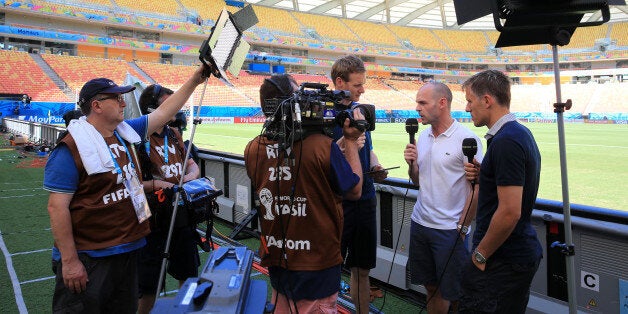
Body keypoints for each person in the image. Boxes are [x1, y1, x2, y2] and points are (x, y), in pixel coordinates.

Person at [43, 64, 208, 313]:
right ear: (96, 105)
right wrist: (69, 261)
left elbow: (164, 112)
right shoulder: (72, 147)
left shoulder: (125, 132)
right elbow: (57, 208)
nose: (123, 103)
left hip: (128, 249)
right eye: (117, 98)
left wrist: (196, 79)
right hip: (91, 257)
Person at [244, 74, 365, 313]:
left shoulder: (253, 148)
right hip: (318, 264)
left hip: (278, 257)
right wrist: (350, 142)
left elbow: (293, 169)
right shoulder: (321, 145)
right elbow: (354, 190)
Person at [459, 69, 542, 313]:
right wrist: (487, 174)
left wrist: (480, 256)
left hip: (501, 259)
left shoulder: (507, 141)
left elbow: (509, 212)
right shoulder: (516, 134)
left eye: (470, 100)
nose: (466, 108)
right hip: (509, 256)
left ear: (487, 100)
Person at [403, 82, 483, 313]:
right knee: (431, 287)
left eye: (422, 102)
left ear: (442, 103)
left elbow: (477, 188)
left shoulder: (467, 139)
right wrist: (412, 165)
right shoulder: (424, 137)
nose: (417, 108)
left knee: (455, 292)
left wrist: (462, 226)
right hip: (420, 223)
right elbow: (417, 181)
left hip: (449, 230)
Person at [135, 84, 201, 314]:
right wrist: (158, 185)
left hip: (182, 216)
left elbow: (192, 166)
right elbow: (128, 183)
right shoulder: (136, 138)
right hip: (152, 221)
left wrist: (190, 179)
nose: (177, 108)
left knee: (189, 275)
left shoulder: (174, 135)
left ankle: (186, 311)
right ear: (153, 108)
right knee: (149, 284)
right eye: (169, 103)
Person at [331, 54, 386, 314]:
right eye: (357, 85)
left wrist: (375, 165)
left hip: (365, 199)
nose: (363, 90)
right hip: (339, 204)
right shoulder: (325, 117)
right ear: (339, 81)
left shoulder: (360, 111)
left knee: (362, 269)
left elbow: (369, 150)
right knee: (331, 267)